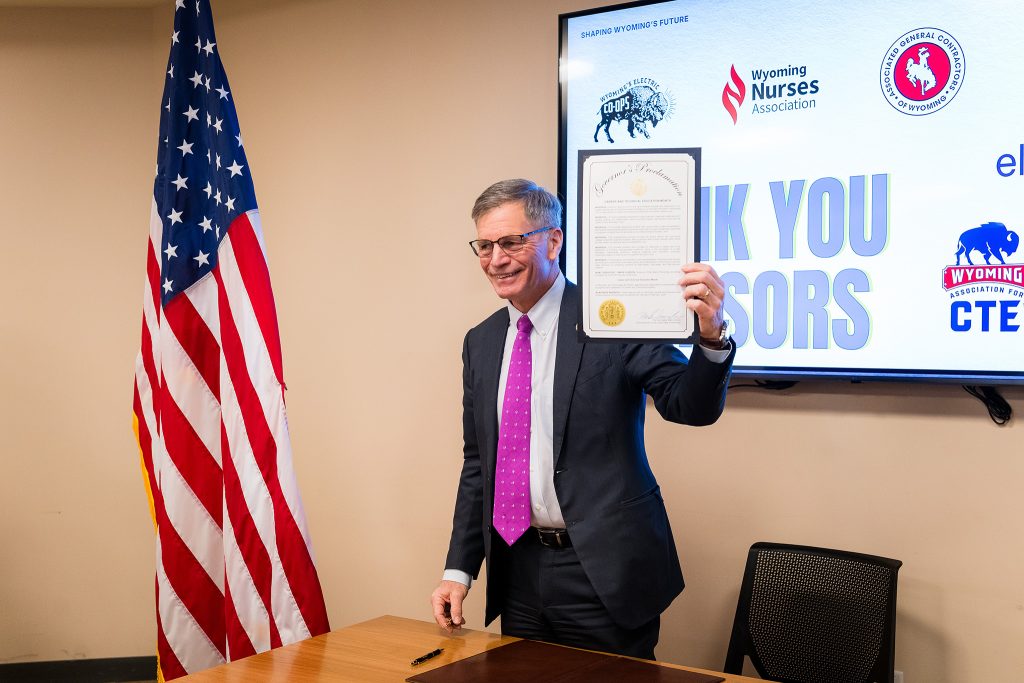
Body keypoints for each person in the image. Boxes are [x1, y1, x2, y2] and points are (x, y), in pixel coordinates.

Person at [430, 178, 735, 660]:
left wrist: (712, 336)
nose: (496, 259)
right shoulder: (481, 342)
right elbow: (479, 465)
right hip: (518, 570)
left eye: (511, 242)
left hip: (603, 572)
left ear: (553, 241)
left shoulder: (612, 318)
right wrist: (458, 570)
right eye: (484, 246)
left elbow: (689, 407)